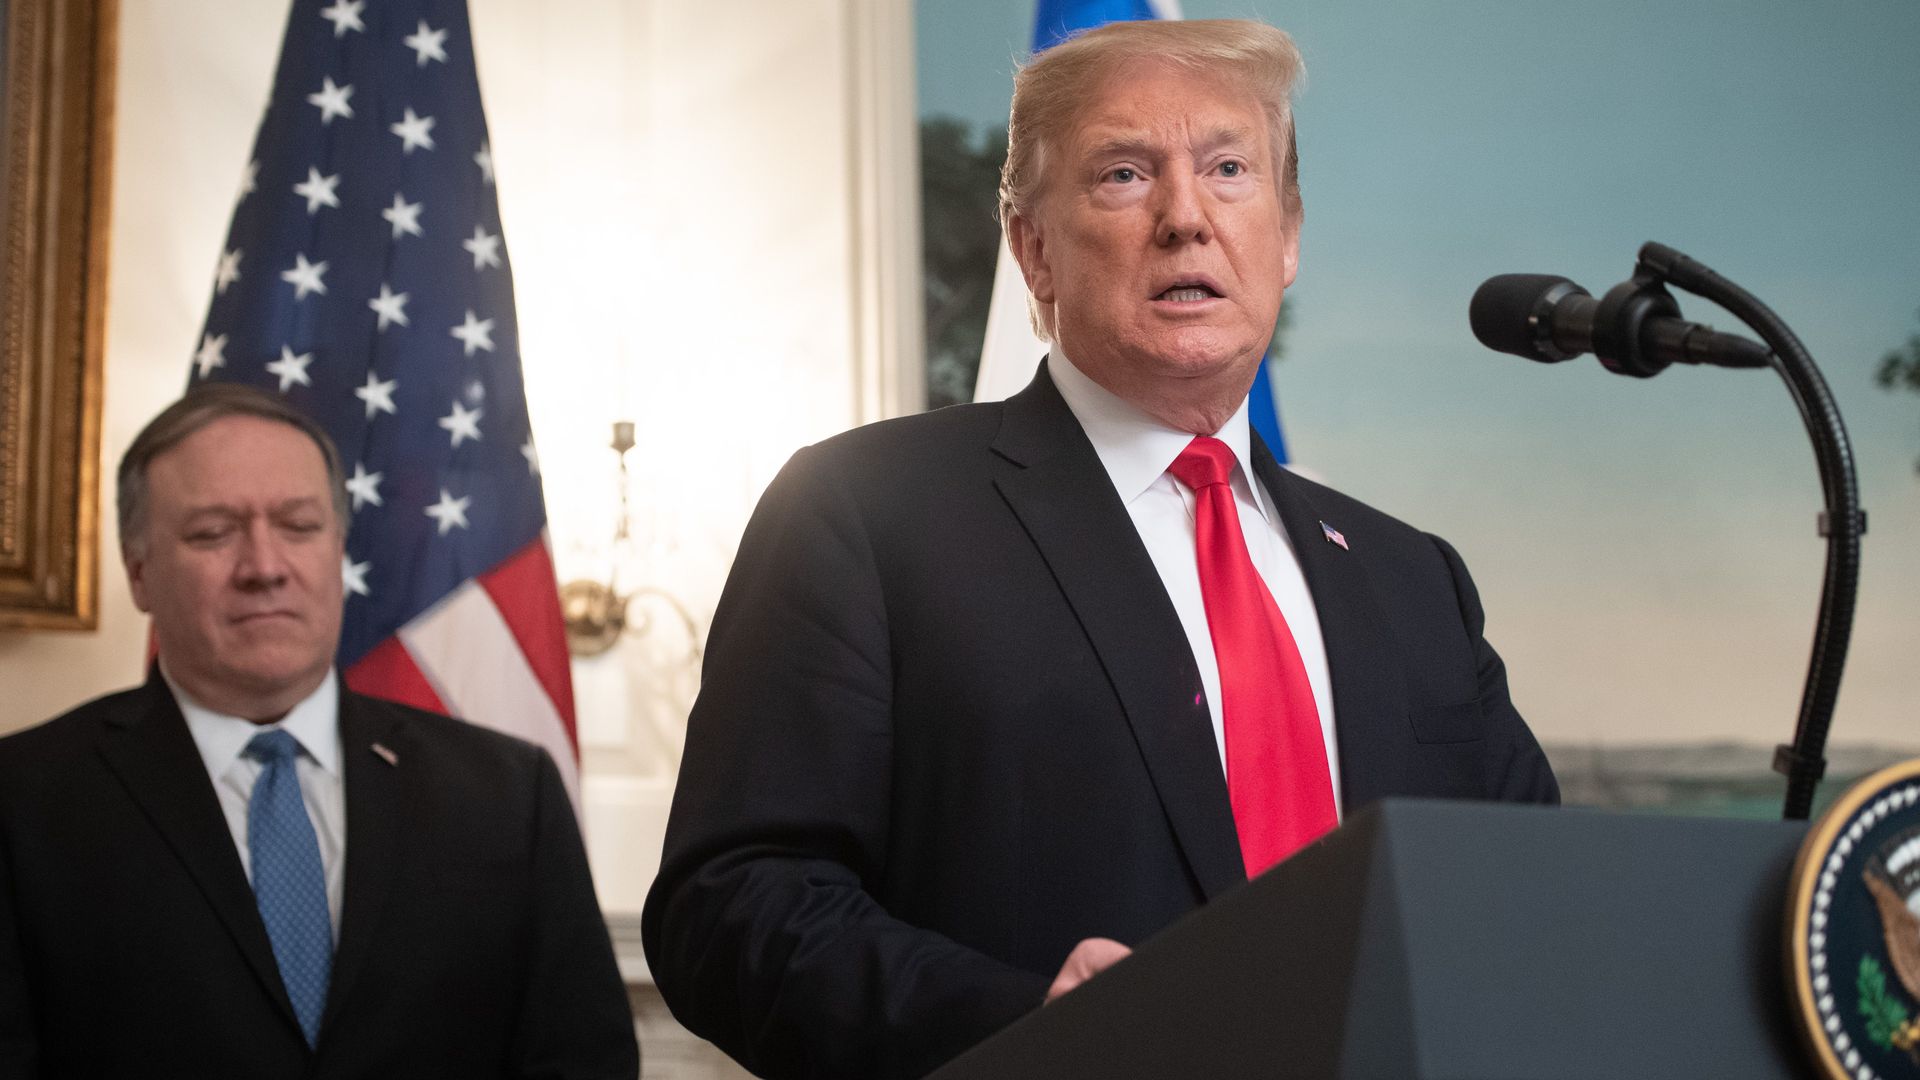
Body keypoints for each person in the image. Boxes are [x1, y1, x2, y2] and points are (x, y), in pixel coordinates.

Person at [645, 18, 1556, 1080]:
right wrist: (1031, 1023)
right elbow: (732, 906)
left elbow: (1538, 897)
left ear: (1289, 232)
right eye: (1125, 175)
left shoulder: (1412, 579)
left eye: (1229, 169)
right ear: (1032, 246)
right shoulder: (862, 513)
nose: (1187, 218)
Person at [0, 385, 639, 1079]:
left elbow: (582, 1060)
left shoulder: (507, 796)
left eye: (299, 526)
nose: (264, 567)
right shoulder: (23, 802)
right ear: (139, 573)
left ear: (338, 549)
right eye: (213, 532)